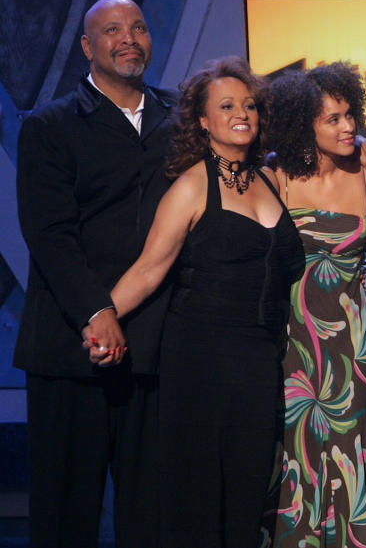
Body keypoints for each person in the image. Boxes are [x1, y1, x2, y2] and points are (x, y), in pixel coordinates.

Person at [85, 56, 306, 547]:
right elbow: (148, 270)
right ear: (203, 121)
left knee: (248, 496)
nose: (242, 112)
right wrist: (98, 319)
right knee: (199, 500)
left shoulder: (273, 180)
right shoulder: (191, 185)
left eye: (249, 104)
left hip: (258, 362)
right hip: (199, 359)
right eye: (226, 105)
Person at [15, 0, 175, 548]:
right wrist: (97, 311)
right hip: (69, 348)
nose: (128, 37)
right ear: (87, 46)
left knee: (154, 517)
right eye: (112, 29)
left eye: (139, 27)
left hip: (156, 350)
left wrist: (363, 152)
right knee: (65, 517)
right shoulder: (50, 126)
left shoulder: (182, 120)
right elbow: (49, 234)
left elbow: (252, 153)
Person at [265, 63, 366, 547]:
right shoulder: (276, 174)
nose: (348, 127)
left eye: (350, 115)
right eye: (332, 119)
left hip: (350, 342)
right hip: (292, 338)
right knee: (296, 452)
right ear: (304, 125)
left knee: (347, 449)